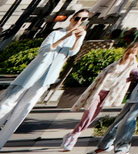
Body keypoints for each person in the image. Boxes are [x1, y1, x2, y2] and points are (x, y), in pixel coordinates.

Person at [0, 13, 91, 146]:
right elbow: (44, 49)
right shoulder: (56, 33)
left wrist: (78, 38)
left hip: (48, 76)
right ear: (71, 19)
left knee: (25, 107)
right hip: (34, 71)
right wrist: (66, 36)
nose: (80, 21)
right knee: (9, 101)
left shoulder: (79, 36)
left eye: (84, 19)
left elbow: (72, 52)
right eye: (78, 18)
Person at [61, 49, 138, 150]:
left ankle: (72, 134)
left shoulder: (131, 68)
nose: (128, 55)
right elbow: (101, 76)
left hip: (108, 96)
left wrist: (134, 61)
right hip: (98, 92)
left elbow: (133, 76)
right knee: (88, 115)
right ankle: (73, 138)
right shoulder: (114, 64)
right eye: (127, 53)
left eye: (131, 54)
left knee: (91, 118)